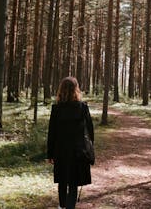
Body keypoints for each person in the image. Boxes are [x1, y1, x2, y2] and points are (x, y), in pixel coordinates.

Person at [47, 77, 94, 209]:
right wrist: (89, 149)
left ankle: (62, 206)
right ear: (76, 90)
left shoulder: (56, 109)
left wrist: (50, 153)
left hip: (60, 150)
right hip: (77, 151)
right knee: (73, 182)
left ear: (61, 90)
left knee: (62, 181)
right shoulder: (83, 107)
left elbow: (52, 133)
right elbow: (90, 131)